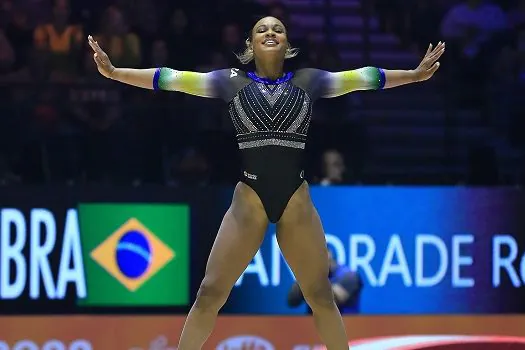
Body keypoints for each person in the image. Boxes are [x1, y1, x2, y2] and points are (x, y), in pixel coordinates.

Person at [88, 16, 445, 350]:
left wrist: (413, 76)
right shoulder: (230, 82)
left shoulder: (309, 81)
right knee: (210, 293)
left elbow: (365, 77)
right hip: (249, 202)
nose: (270, 32)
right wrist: (116, 72)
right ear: (250, 46)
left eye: (278, 29)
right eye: (262, 30)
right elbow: (171, 79)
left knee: (320, 296)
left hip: (295, 202)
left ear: (288, 45)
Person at [288, 249, 363, 314]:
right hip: (313, 327)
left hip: (345, 327)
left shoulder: (349, 276)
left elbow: (329, 302)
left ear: (328, 254)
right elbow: (292, 301)